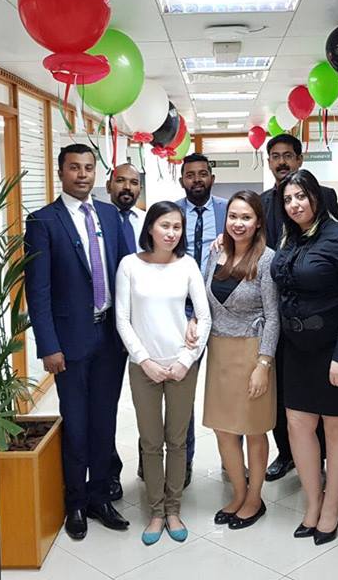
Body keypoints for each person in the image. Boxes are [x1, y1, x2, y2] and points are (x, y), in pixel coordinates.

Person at [24, 144, 130, 541]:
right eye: (74, 167)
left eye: (88, 168)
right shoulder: (43, 221)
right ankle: (76, 503)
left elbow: (126, 275)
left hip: (110, 338)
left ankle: (101, 496)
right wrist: (48, 345)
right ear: (61, 172)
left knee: (105, 421)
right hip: (69, 343)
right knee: (77, 424)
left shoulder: (109, 215)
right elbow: (38, 290)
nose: (82, 174)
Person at [270, 169, 338, 546]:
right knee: (298, 424)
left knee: (336, 426)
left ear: (316, 197)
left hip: (335, 348)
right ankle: (313, 502)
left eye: (301, 196)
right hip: (296, 348)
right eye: (288, 199)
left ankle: (332, 503)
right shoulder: (289, 238)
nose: (295, 204)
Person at [115, 201, 212, 546]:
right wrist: (144, 360)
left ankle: (173, 509)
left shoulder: (187, 265)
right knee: (151, 441)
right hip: (144, 367)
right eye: (164, 225)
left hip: (181, 365)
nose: (171, 233)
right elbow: (122, 319)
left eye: (177, 227)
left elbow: (204, 316)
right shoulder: (129, 265)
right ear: (150, 229)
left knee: (178, 440)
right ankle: (156, 511)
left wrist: (186, 359)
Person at [194, 190, 278, 530]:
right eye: (233, 216)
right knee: (223, 429)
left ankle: (255, 498)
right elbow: (203, 300)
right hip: (219, 351)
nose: (238, 223)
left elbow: (273, 316)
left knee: (254, 430)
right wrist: (193, 321)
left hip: (252, 352)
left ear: (258, 222)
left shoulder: (267, 259)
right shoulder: (215, 252)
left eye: (246, 217)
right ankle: (239, 492)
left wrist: (264, 364)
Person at [259, 133, 338, 482]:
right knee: (280, 389)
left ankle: (317, 456)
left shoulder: (326, 197)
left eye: (288, 155)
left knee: (316, 389)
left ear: (299, 159)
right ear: (269, 162)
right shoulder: (262, 202)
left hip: (316, 311)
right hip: (274, 310)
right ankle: (286, 452)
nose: (282, 162)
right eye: (275, 156)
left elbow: (337, 248)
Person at [174, 152, 227, 485]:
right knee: (181, 392)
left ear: (212, 178)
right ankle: (184, 460)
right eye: (190, 175)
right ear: (182, 180)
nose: (197, 179)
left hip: (222, 312)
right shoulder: (170, 212)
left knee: (226, 391)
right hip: (182, 313)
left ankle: (231, 461)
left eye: (202, 174)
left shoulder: (228, 210)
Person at [104, 162, 146, 501]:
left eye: (133, 182)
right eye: (121, 181)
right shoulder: (98, 220)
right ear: (109, 184)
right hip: (105, 328)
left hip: (144, 326)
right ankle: (109, 471)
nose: (127, 187)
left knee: (149, 403)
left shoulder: (147, 221)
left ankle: (151, 464)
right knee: (107, 406)